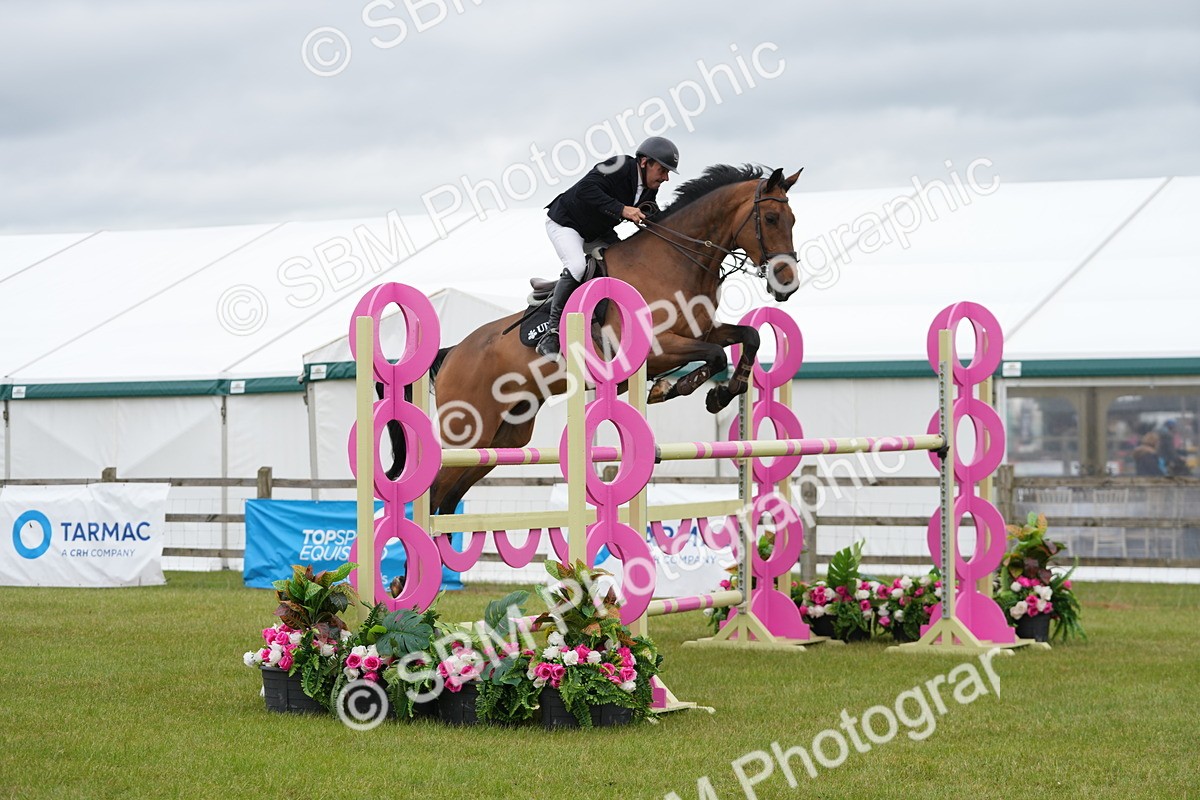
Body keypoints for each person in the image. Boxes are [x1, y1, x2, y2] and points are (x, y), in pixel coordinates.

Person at [536, 136, 680, 358]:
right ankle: (552, 332)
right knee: (577, 266)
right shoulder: (619, 165)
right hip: (567, 223)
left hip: (597, 231)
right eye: (662, 170)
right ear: (644, 162)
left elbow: (650, 212)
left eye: (668, 172)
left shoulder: (650, 189)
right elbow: (585, 189)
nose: (666, 177)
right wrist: (623, 209)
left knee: (626, 265)